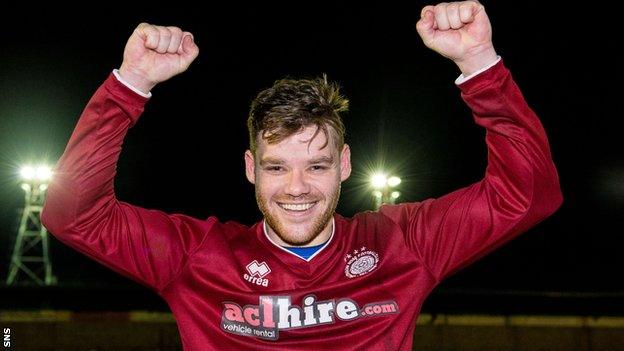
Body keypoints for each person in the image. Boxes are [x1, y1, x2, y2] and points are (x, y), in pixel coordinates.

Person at [41, 1, 563, 349]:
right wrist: (130, 83)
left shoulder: (405, 244)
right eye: (276, 167)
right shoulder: (197, 256)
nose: (296, 188)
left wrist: (479, 61)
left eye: (316, 165)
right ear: (251, 169)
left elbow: (529, 195)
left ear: (345, 166)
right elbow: (72, 216)